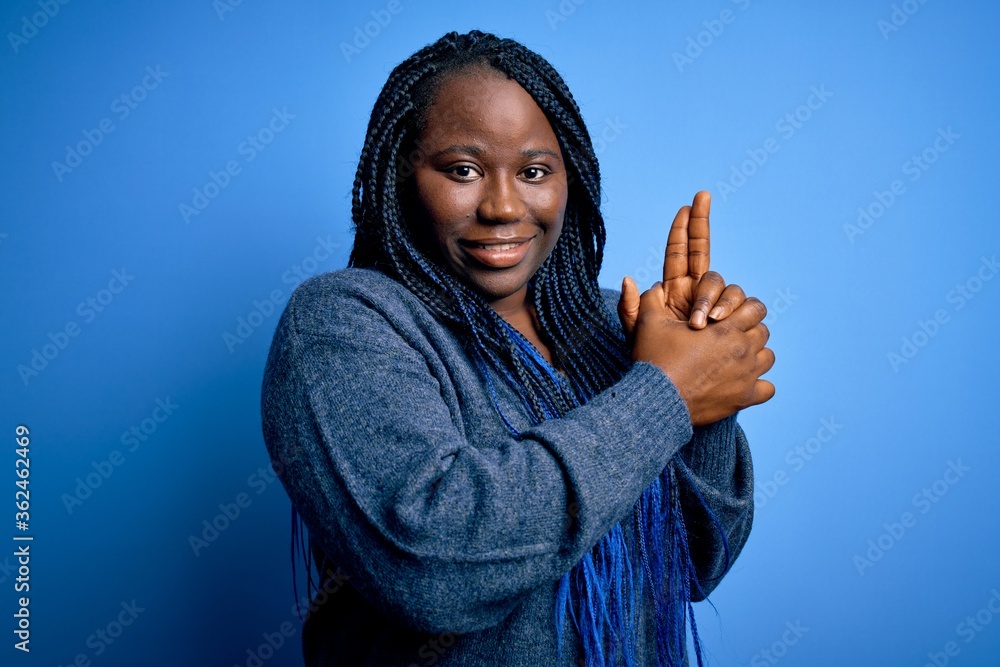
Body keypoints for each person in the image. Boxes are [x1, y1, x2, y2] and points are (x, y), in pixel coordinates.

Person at [261, 29, 774, 667]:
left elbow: (700, 564)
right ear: (401, 176)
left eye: (534, 172)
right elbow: (432, 569)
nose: (503, 206)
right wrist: (667, 395)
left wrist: (706, 391)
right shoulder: (345, 323)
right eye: (463, 170)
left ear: (571, 181)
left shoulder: (619, 331)